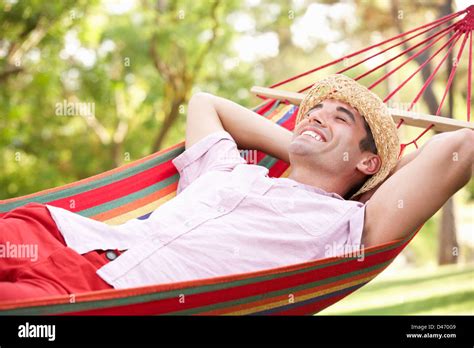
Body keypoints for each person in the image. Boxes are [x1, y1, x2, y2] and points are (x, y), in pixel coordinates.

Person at [1, 74, 472, 302]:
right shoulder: (226, 169)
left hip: (106, 298)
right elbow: (208, 103)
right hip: (61, 237)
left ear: (368, 161)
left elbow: (460, 148)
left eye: (339, 117)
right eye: (316, 110)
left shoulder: (348, 228)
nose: (317, 116)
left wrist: (381, 166)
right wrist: (303, 141)